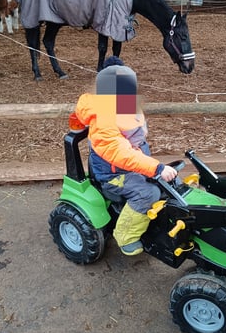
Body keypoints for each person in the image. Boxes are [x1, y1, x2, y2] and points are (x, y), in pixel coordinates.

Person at [68, 57, 178, 255]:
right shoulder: (104, 119)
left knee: (168, 186)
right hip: (114, 174)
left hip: (132, 164)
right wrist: (156, 168)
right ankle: (126, 235)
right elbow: (120, 152)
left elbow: (137, 136)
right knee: (148, 193)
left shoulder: (125, 105)